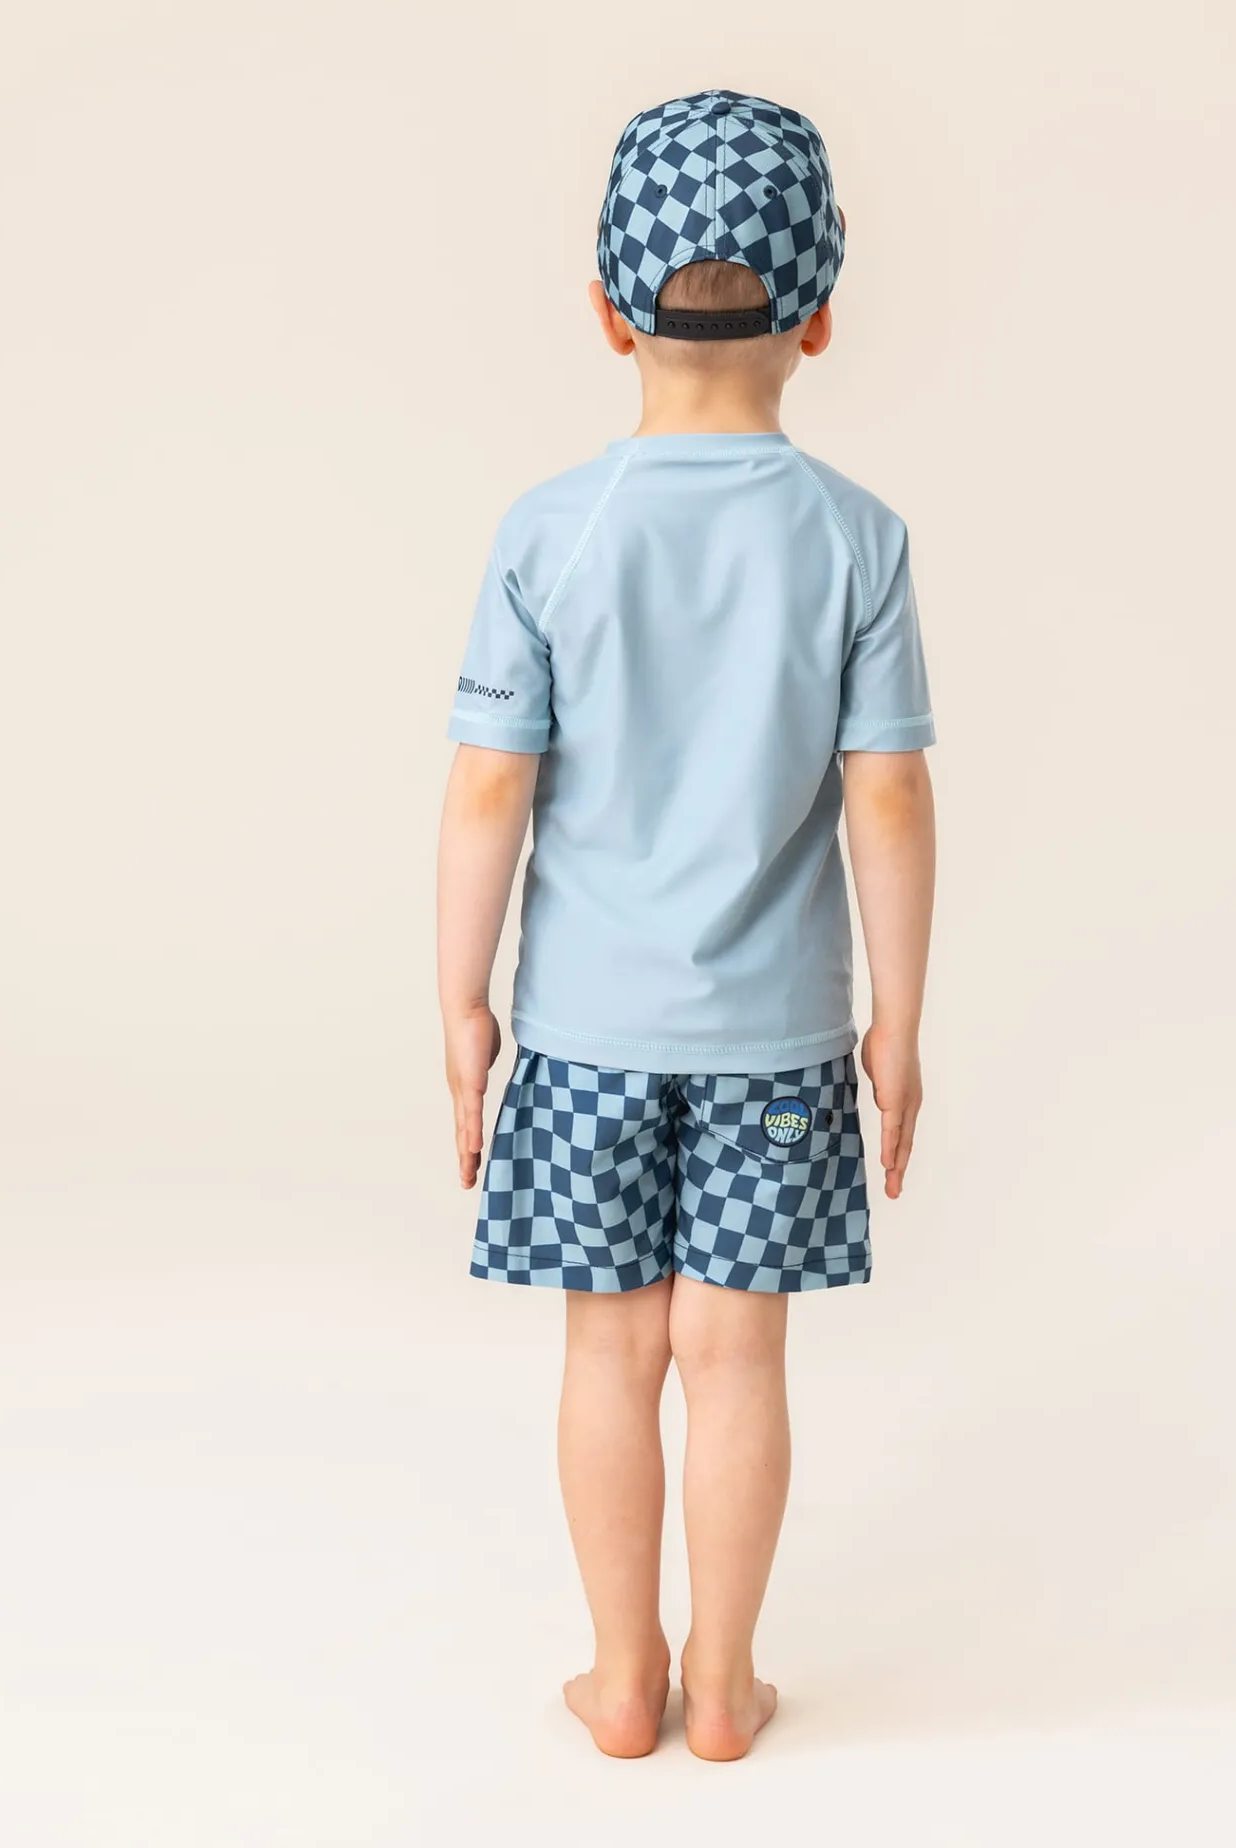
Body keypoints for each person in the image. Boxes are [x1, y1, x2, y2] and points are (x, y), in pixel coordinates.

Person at [435, 90, 937, 1761]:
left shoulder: (549, 532)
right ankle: (726, 1683)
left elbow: (490, 790)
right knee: (735, 1358)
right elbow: (886, 798)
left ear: (604, 310)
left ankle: (621, 1676)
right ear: (820, 316)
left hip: (584, 1033)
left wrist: (461, 1003)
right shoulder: (858, 539)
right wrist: (898, 1021)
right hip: (778, 1041)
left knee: (611, 1351)